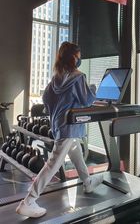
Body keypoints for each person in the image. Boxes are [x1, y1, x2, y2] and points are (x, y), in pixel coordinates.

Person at [16, 41, 103, 218]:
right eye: (78, 56)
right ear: (73, 57)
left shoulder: (57, 76)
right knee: (53, 164)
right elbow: (87, 100)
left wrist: (59, 108)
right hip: (69, 125)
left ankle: (87, 181)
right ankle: (29, 201)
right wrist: (93, 88)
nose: (79, 59)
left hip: (57, 124)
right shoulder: (78, 77)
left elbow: (46, 98)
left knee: (74, 150)